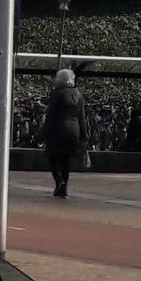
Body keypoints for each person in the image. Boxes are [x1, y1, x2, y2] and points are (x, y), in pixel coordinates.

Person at [41, 66, 86, 199]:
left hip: (58, 130)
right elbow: (82, 117)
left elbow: (51, 116)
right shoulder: (78, 95)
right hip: (74, 131)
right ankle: (64, 186)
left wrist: (42, 133)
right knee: (65, 160)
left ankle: (59, 181)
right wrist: (84, 136)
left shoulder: (57, 94)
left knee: (53, 157)